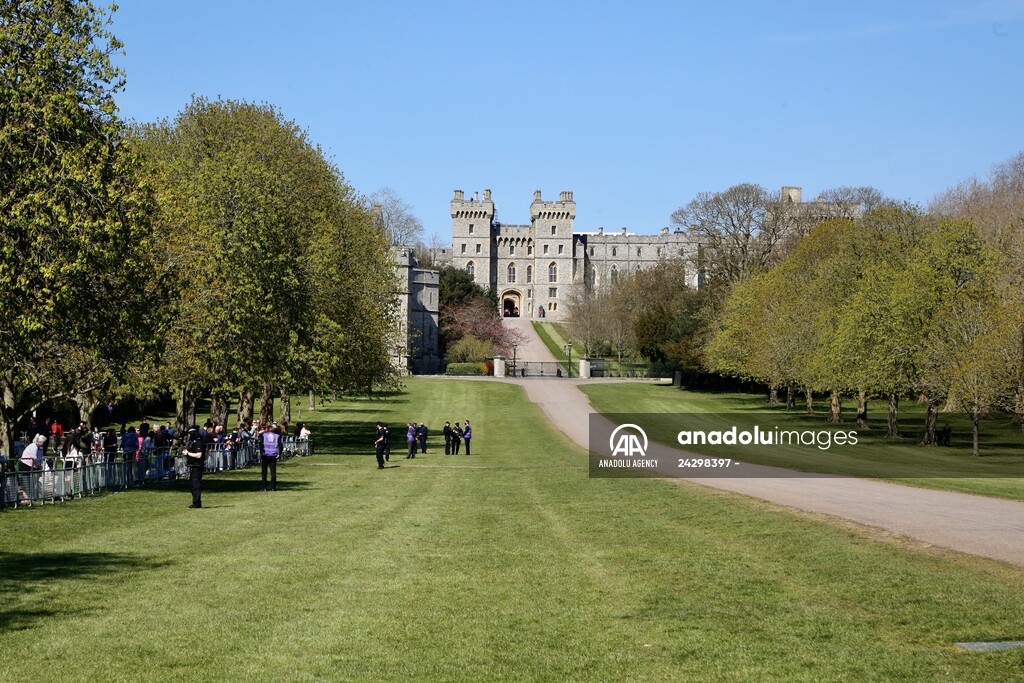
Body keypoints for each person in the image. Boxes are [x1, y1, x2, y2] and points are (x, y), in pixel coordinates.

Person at [18, 434, 47, 504]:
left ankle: (30, 497)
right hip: (25, 465)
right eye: (43, 443)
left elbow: (39, 457)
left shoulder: (38, 449)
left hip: (32, 466)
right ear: (41, 442)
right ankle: (28, 498)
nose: (44, 444)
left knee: (31, 482)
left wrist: (40, 464)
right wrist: (39, 465)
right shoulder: (33, 446)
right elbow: (33, 457)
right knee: (26, 482)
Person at [184, 427, 205, 508]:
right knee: (192, 485)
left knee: (196, 484)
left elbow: (199, 455)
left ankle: (196, 502)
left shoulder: (199, 442)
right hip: (192, 465)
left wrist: (188, 453)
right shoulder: (191, 442)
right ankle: (196, 501)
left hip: (197, 465)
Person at [260, 423, 281, 491]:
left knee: (264, 472)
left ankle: (264, 487)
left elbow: (261, 444)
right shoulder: (277, 436)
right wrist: (279, 454)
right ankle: (273, 487)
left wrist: (261, 452)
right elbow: (280, 445)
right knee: (273, 472)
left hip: (265, 455)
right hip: (273, 455)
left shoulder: (264, 435)